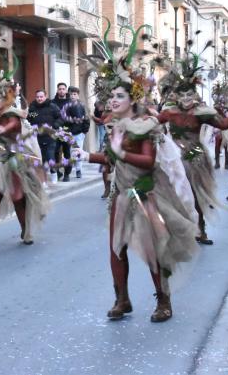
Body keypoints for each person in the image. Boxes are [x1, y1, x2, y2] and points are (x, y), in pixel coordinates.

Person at [76, 25, 199, 322]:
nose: (113, 101)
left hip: (145, 194)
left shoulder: (144, 124)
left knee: (154, 250)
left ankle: (163, 301)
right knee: (116, 249)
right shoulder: (113, 125)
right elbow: (110, 159)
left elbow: (148, 161)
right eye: (110, 96)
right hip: (120, 195)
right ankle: (122, 299)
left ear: (133, 98)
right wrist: (86, 156)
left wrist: (119, 153)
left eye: (119, 95)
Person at [0, 60, 49, 248]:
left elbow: (12, 125)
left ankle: (25, 229)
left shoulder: (13, 114)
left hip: (13, 160)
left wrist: (2, 129)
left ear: (5, 98)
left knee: (18, 197)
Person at [156, 66, 228, 245]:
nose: (186, 98)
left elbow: (223, 125)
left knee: (194, 193)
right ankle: (177, 230)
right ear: (176, 96)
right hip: (174, 155)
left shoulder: (201, 113)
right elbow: (153, 123)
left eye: (189, 95)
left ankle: (201, 229)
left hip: (194, 154)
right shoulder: (170, 112)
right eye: (182, 95)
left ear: (195, 95)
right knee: (173, 194)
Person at [27, 89, 62, 183]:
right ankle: (43, 179)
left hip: (50, 136)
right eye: (37, 97)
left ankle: (54, 174)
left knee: (50, 157)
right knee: (40, 159)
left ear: (45, 96)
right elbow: (29, 118)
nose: (39, 98)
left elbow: (60, 117)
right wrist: (30, 126)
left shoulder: (52, 106)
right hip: (37, 137)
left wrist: (54, 126)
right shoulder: (32, 107)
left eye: (41, 97)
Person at [62, 86, 89, 179]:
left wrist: (84, 131)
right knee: (69, 152)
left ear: (78, 96)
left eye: (75, 94)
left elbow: (86, 119)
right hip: (69, 133)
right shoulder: (66, 106)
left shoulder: (81, 106)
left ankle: (78, 170)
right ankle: (70, 169)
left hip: (79, 133)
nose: (73, 96)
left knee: (78, 151)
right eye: (71, 94)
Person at [52, 82, 73, 181]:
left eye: (63, 89)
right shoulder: (52, 102)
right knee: (55, 152)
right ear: (57, 90)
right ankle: (58, 172)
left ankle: (67, 174)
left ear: (66, 90)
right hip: (55, 131)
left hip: (67, 131)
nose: (61, 90)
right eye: (59, 89)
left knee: (67, 153)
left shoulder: (71, 103)